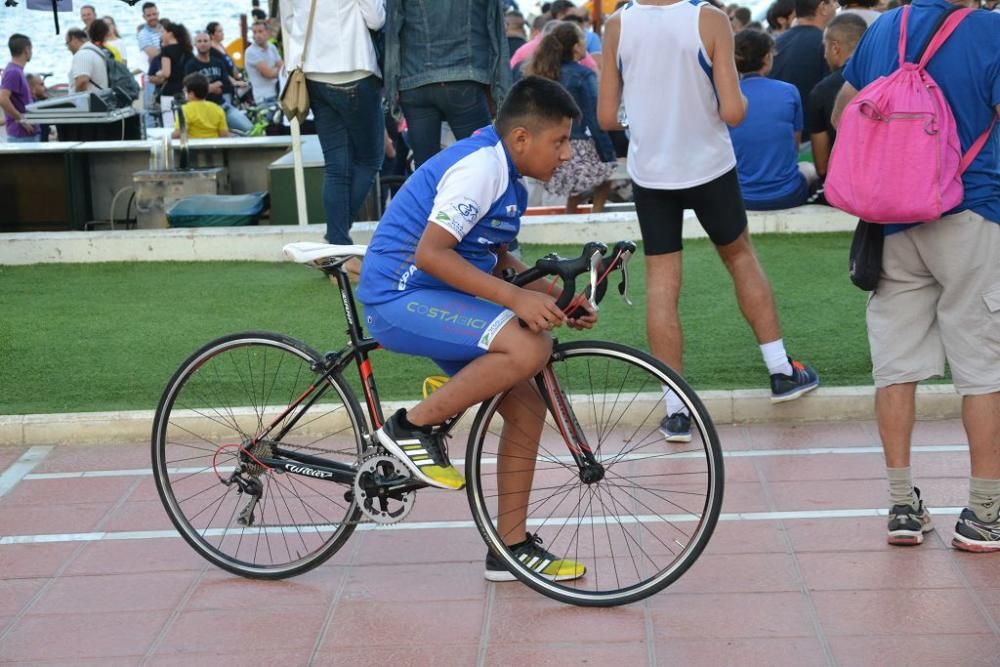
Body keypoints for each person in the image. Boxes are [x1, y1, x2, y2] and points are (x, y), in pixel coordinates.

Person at [356, 76, 593, 582]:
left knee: (528, 410)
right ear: (522, 138)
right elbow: (431, 253)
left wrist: (559, 300)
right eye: (561, 141)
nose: (568, 154)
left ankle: (509, 548)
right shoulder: (482, 166)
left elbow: (496, 257)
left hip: (438, 297)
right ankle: (409, 427)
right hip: (398, 297)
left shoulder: (508, 173)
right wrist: (517, 300)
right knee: (529, 347)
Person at [599, 0, 820, 440]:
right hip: (709, 166)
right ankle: (780, 369)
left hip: (652, 172)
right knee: (740, 258)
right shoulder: (711, 19)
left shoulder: (616, 24)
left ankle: (676, 408)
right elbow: (733, 111)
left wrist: (648, 119)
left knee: (662, 282)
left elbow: (608, 116)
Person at [831, 0, 1000, 551]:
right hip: (972, 209)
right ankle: (984, 512)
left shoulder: (883, 28)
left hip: (894, 218)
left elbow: (843, 113)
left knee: (896, 365)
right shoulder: (990, 32)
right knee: (982, 366)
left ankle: (902, 505)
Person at [280, 0, 384, 272]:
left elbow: (291, 22)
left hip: (313, 73)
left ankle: (336, 245)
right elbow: (375, 19)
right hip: (354, 68)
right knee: (370, 159)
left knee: (337, 166)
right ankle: (336, 243)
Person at [384, 0, 511, 167]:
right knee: (484, 163)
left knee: (427, 170)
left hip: (415, 79)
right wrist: (502, 93)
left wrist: (392, 90)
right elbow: (495, 30)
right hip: (464, 78)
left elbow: (392, 32)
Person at [524, 22, 616, 212]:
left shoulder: (539, 73)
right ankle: (594, 217)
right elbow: (593, 118)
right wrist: (607, 154)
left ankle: (571, 212)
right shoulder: (583, 75)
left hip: (542, 145)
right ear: (576, 46)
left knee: (576, 186)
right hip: (574, 145)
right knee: (606, 179)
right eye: (583, 39)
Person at [730, 29, 816, 210]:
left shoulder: (725, 96)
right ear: (767, 58)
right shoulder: (789, 91)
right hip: (787, 194)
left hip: (737, 196)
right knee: (808, 168)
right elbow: (794, 146)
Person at [806, 12, 866, 181]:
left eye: (825, 47)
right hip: (883, 184)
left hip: (841, 187)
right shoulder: (886, 80)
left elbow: (822, 167)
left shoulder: (821, 91)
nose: (825, 55)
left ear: (835, 48)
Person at [770, 0, 836, 107]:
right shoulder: (826, 44)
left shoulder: (777, 42)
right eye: (832, 3)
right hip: (811, 118)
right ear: (823, 7)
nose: (835, 7)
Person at [185, 31, 253, 134]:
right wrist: (211, 87)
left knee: (250, 129)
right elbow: (191, 91)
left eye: (205, 41)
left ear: (210, 43)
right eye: (199, 41)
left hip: (222, 106)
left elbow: (225, 85)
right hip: (202, 111)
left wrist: (207, 87)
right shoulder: (190, 65)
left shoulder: (218, 62)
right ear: (195, 45)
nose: (202, 43)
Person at [149, 22, 192, 126]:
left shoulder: (166, 51)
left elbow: (166, 73)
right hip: (185, 91)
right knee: (185, 123)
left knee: (170, 123)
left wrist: (159, 73)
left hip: (169, 92)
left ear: (170, 34)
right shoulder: (187, 50)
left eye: (163, 32)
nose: (161, 35)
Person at [1, 34, 41, 143]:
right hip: (21, 136)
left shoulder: (17, 70)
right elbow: (3, 98)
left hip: (27, 134)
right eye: (31, 49)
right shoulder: (13, 72)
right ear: (27, 50)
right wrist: (21, 119)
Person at [172, 73, 229, 139]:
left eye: (185, 90)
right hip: (213, 148)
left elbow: (179, 134)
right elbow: (224, 135)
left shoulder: (184, 110)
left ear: (191, 94)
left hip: (193, 148)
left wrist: (167, 137)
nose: (183, 91)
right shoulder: (217, 109)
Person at [244, 21, 282, 104]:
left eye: (260, 31)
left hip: (278, 92)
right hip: (263, 98)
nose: (257, 35)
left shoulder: (272, 47)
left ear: (268, 32)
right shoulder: (250, 52)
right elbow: (269, 74)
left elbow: (282, 67)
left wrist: (276, 70)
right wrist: (278, 69)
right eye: (254, 32)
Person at [66, 28, 108, 93]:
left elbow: (82, 81)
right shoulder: (96, 52)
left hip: (89, 101)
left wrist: (76, 101)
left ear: (74, 39)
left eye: (67, 43)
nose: (68, 48)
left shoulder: (82, 54)